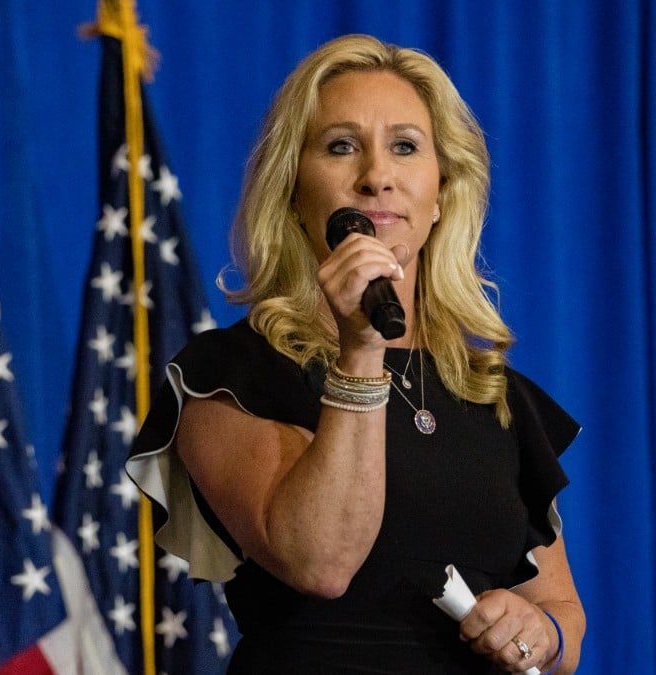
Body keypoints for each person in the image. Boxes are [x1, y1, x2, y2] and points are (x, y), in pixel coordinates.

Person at [128, 34, 585, 674]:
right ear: (292, 190)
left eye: (405, 147)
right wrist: (362, 349)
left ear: (443, 190)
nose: (376, 176)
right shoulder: (229, 376)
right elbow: (320, 561)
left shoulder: (496, 395)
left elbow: (563, 610)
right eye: (341, 146)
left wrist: (542, 633)